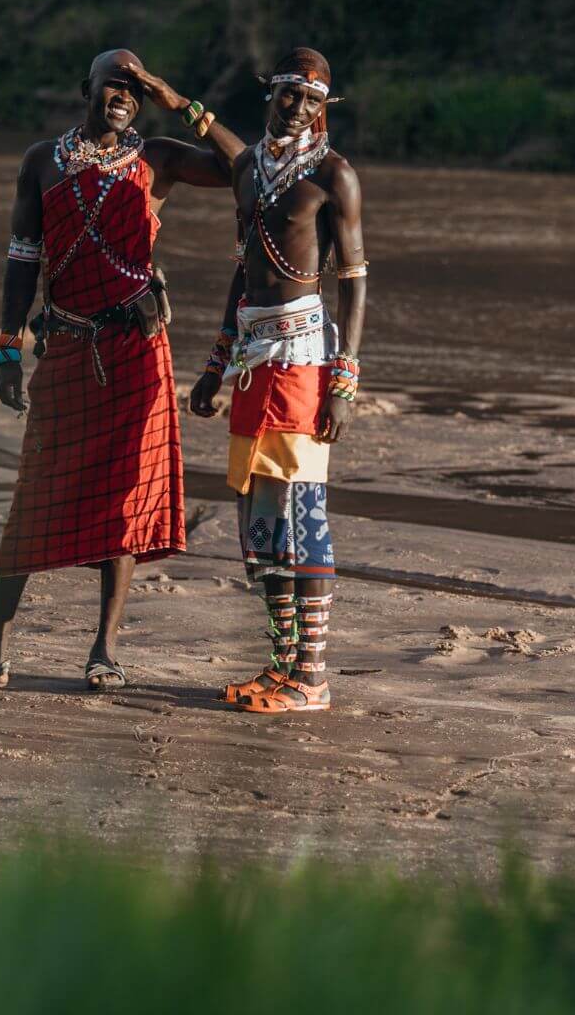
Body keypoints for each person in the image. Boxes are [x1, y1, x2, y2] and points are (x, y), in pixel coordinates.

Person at [0, 49, 244, 692]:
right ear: (86, 90)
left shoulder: (157, 157)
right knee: (33, 498)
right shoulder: (41, 162)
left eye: (135, 88)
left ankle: (104, 651)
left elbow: (249, 172)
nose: (124, 95)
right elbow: (22, 258)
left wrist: (180, 103)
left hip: (138, 356)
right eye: (113, 84)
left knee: (125, 502)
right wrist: (7, 347)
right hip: (66, 348)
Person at [189, 47, 367, 714]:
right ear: (271, 97)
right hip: (252, 363)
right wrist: (214, 363)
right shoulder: (258, 173)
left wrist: (344, 380)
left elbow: (353, 281)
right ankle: (279, 667)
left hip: (303, 362)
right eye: (289, 96)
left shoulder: (333, 177)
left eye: (312, 101)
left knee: (301, 515)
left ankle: (312, 678)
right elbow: (244, 272)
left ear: (325, 110)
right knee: (258, 525)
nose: (298, 109)